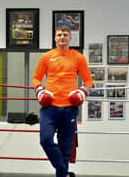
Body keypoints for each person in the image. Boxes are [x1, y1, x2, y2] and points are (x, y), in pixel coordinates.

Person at [32, 26, 93, 177]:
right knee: (45, 139)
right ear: (55, 38)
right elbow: (36, 78)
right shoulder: (47, 56)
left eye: (65, 35)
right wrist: (40, 91)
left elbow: (88, 80)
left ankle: (62, 174)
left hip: (69, 108)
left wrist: (82, 92)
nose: (62, 37)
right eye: (59, 35)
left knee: (65, 148)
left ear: (70, 38)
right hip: (50, 108)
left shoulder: (78, 57)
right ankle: (65, 172)